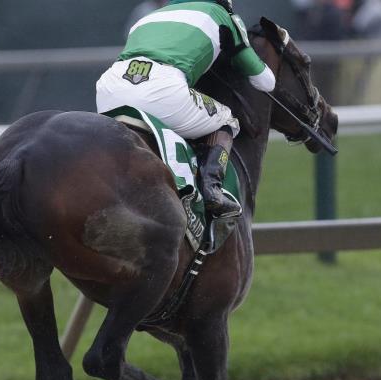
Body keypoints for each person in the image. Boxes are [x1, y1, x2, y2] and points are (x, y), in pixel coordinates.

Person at [96, 0, 275, 218]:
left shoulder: (150, 16)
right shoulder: (221, 15)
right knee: (227, 119)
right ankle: (212, 190)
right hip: (163, 88)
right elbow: (265, 82)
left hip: (110, 87)